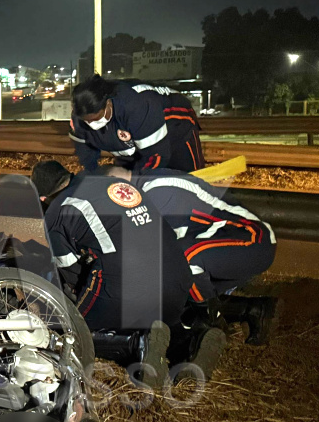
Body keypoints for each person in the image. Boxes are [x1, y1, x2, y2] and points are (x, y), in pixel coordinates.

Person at [32, 160, 224, 386]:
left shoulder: (57, 211)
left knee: (69, 329)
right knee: (151, 321)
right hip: (177, 276)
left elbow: (71, 275)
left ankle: (136, 344)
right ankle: (190, 340)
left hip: (129, 284)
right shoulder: (112, 183)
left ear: (42, 199)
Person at [104, 164, 280, 345]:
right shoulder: (147, 187)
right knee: (180, 288)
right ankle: (253, 310)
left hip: (253, 239)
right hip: (225, 245)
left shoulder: (157, 190)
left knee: (182, 260)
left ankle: (211, 326)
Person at [69, 75, 205, 174]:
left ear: (108, 104)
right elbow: (86, 154)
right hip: (136, 140)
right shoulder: (79, 118)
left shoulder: (135, 105)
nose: (92, 125)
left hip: (176, 126)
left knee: (187, 179)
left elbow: (156, 155)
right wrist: (92, 175)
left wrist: (136, 180)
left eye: (96, 119)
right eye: (88, 121)